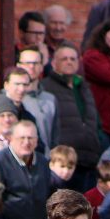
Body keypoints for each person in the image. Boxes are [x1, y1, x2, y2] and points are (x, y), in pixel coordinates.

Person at [42, 43, 101, 189]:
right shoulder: (47, 88)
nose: (69, 62)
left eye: (73, 59)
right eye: (64, 59)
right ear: (54, 63)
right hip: (64, 164)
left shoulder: (83, 86)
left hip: (88, 160)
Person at [0, 120, 51, 219]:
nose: (26, 142)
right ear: (11, 138)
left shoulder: (43, 163)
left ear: (36, 140)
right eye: (21, 138)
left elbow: (44, 199)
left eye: (30, 138)